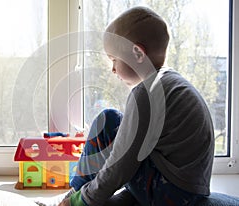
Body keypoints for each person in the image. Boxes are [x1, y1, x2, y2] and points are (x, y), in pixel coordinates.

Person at [58, 6, 214, 206]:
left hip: (170, 193)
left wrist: (84, 200)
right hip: (189, 190)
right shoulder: (170, 82)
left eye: (114, 60)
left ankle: (74, 196)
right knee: (117, 125)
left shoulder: (146, 93)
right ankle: (86, 193)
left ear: (138, 53)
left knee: (107, 121)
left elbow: (121, 165)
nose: (113, 69)